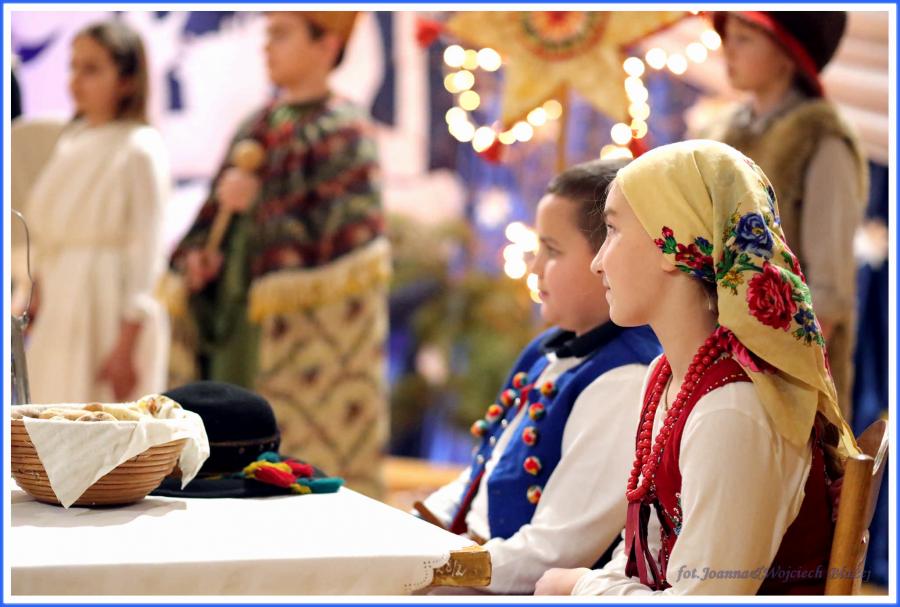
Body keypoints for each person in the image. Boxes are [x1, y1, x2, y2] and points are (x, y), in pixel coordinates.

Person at [534, 140, 857, 596]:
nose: (597, 261)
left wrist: (574, 587)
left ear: (674, 242)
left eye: (613, 230)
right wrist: (586, 585)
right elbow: (642, 558)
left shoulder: (732, 409)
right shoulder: (667, 376)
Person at [163, 12, 390, 498]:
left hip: (296, 339)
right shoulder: (257, 124)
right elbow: (214, 220)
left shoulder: (346, 129)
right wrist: (199, 261)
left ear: (326, 46)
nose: (268, 46)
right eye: (268, 35)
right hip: (234, 320)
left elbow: (344, 239)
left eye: (282, 35)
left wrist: (259, 199)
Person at [420, 159, 661, 594]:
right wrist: (418, 523)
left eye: (552, 250)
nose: (534, 269)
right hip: (475, 559)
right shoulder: (548, 347)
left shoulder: (626, 378)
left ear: (606, 259)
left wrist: (430, 566)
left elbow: (555, 552)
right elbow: (484, 471)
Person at [696, 11, 867, 421]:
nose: (727, 51)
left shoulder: (822, 141)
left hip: (786, 380)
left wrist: (777, 377)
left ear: (787, 55)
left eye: (744, 39)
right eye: (727, 37)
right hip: (711, 358)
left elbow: (828, 291)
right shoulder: (720, 134)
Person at [18, 21, 170, 404]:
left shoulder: (140, 146)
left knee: (103, 419)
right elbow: (48, 231)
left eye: (92, 69)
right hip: (63, 305)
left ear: (127, 81)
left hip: (109, 306)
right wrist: (36, 294)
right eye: (73, 67)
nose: (76, 80)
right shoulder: (72, 141)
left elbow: (149, 248)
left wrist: (126, 344)